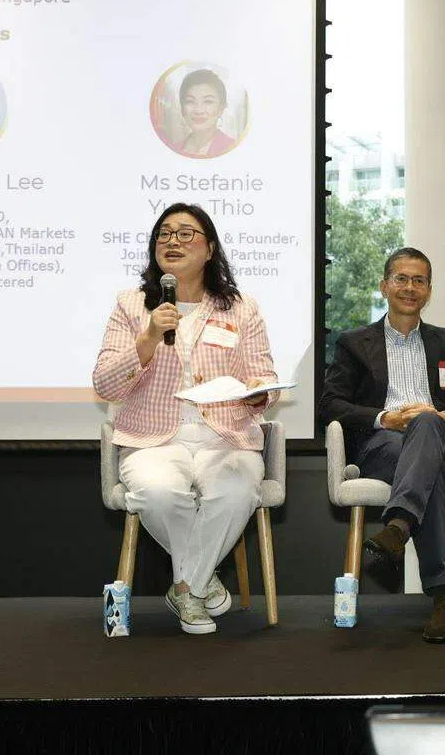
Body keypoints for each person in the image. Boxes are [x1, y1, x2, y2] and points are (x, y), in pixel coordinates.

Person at [93, 202, 278, 635]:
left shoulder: (241, 308)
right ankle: (200, 582)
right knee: (157, 493)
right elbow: (105, 384)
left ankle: (185, 587)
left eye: (185, 233)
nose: (172, 241)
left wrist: (258, 392)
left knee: (236, 492)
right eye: (164, 234)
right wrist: (148, 337)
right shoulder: (132, 305)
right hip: (154, 439)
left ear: (209, 249)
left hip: (225, 436)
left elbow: (264, 377)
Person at [319, 247, 445, 644]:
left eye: (419, 280)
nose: (410, 287)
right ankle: (444, 595)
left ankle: (398, 524)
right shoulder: (354, 343)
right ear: (384, 286)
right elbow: (330, 404)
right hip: (383, 445)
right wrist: (386, 419)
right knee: (424, 470)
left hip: (444, 441)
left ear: (429, 290)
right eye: (401, 279)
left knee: (427, 423)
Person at [175, 69, 237, 158]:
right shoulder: (173, 149)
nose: (198, 110)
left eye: (208, 101)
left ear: (221, 108)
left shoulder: (233, 148)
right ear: (182, 107)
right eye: (190, 101)